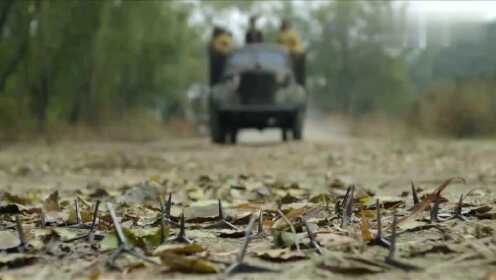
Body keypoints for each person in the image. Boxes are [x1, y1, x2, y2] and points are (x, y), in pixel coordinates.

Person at [277, 19, 306, 86]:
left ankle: (295, 81)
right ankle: (284, 80)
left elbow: (296, 43)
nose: (285, 25)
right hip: (284, 54)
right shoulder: (280, 34)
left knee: (293, 68)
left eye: (286, 24)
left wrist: (291, 51)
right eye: (284, 24)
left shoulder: (292, 33)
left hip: (293, 53)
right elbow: (278, 45)